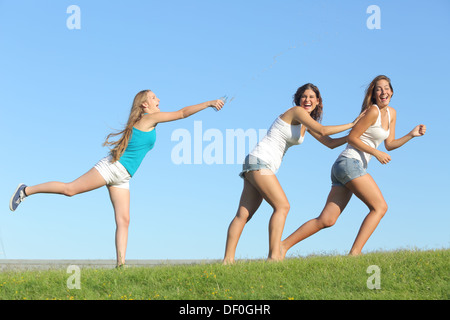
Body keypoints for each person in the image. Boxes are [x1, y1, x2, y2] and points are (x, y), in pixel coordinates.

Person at [9, 90, 225, 267]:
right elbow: (182, 113)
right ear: (144, 105)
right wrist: (208, 103)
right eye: (153, 98)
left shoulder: (147, 119)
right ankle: (26, 190)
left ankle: (121, 265)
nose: (158, 100)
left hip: (123, 177)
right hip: (112, 168)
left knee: (124, 220)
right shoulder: (150, 118)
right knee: (70, 189)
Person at [280, 75, 426, 258]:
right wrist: (375, 153)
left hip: (345, 166)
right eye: (379, 89)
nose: (383, 92)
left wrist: (411, 134)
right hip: (350, 163)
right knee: (380, 207)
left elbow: (390, 144)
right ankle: (355, 254)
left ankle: (282, 246)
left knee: (327, 219)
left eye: (386, 88)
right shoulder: (372, 111)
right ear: (373, 93)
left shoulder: (392, 113)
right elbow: (352, 138)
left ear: (392, 92)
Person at [223, 83, 363, 264]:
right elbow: (323, 130)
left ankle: (227, 261)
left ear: (318, 101)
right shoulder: (296, 112)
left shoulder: (306, 123)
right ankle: (274, 257)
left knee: (244, 214)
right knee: (282, 206)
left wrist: (354, 135)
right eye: (304, 96)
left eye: (312, 97)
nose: (307, 100)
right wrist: (353, 124)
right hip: (260, 162)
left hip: (257, 163)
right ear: (298, 99)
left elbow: (329, 143)